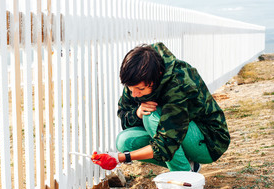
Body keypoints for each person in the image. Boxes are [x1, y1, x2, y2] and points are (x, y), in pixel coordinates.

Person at [91, 42, 230, 172]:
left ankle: (183, 180)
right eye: (129, 88)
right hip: (175, 134)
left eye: (140, 89)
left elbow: (166, 142)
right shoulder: (136, 78)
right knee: (125, 141)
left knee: (151, 117)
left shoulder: (179, 81)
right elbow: (125, 117)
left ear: (156, 77)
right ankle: (189, 166)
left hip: (208, 140)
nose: (134, 94)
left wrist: (120, 158)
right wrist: (137, 112)